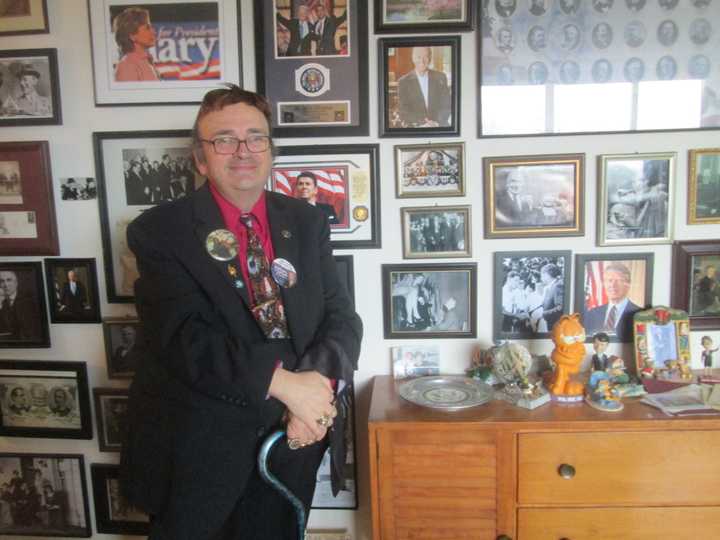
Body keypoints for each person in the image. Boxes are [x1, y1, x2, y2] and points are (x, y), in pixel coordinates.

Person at [119, 85, 362, 540]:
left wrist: (315, 394)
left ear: (270, 151)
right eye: (224, 139)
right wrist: (287, 386)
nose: (243, 150)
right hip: (198, 454)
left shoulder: (307, 221)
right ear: (200, 158)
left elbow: (341, 318)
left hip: (295, 440)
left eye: (256, 137)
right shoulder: (159, 231)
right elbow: (184, 338)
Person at [582, 262, 641, 342]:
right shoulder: (592, 314)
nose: (613, 285)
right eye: (609, 280)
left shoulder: (638, 314)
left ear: (628, 284)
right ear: (604, 284)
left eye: (619, 281)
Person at [397, 46, 451, 128]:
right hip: (417, 127)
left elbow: (446, 105)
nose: (422, 61)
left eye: (425, 56)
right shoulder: (403, 82)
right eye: (418, 57)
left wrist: (437, 123)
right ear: (413, 58)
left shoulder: (441, 77)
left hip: (439, 126)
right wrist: (422, 123)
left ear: (430, 58)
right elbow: (403, 111)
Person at [113, 7, 160, 82]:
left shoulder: (146, 61)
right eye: (147, 28)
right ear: (132, 35)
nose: (153, 32)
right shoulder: (127, 65)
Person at [0, 270, 41, 342]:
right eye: (1, 281)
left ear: (16, 283)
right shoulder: (2, 302)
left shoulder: (29, 301)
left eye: (9, 280)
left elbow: (30, 332)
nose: (5, 285)